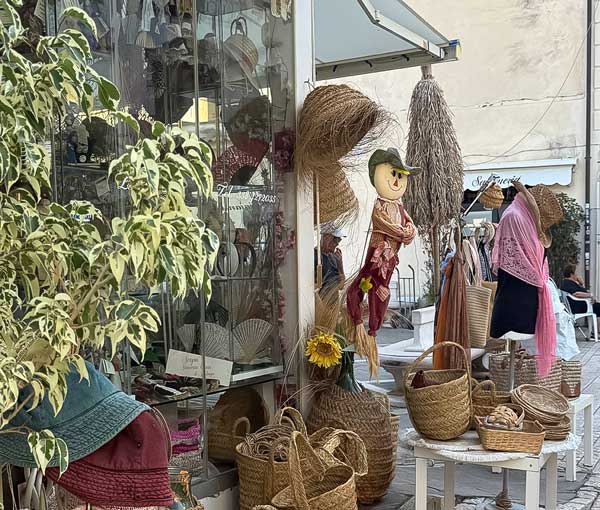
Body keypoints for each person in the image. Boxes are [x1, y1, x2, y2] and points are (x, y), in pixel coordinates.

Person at [314, 224, 345, 292]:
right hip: (321, 301)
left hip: (333, 301)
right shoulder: (313, 256)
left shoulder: (334, 257)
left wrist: (340, 265)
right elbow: (313, 288)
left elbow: (341, 286)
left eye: (339, 240)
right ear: (325, 237)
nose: (337, 244)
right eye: (335, 240)